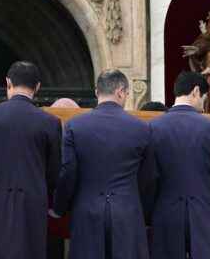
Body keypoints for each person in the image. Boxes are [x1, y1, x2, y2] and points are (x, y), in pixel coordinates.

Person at [54, 69, 154, 259]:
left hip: (86, 213)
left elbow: (68, 172)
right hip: (127, 213)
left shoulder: (75, 126)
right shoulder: (141, 128)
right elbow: (148, 177)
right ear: (120, 91)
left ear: (96, 92)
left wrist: (60, 208)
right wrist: (145, 212)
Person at [0, 61, 62, 259]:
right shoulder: (50, 122)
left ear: (8, 83)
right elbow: (54, 170)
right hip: (33, 204)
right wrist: (51, 202)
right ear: (37, 87)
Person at [149, 71, 210, 259]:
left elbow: (150, 177)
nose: (203, 106)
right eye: (204, 99)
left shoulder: (153, 127)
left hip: (165, 213)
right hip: (203, 213)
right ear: (196, 91)